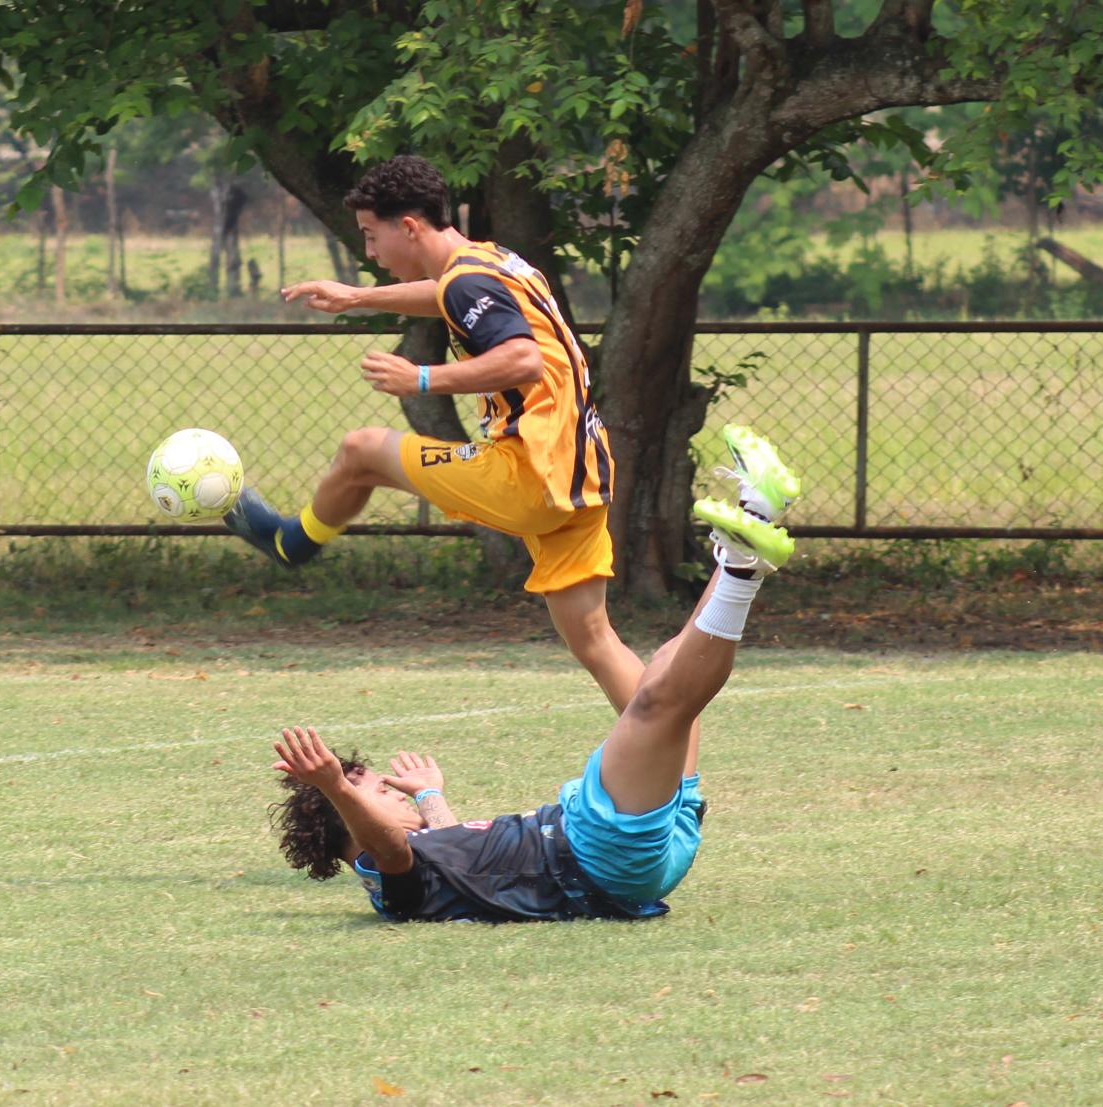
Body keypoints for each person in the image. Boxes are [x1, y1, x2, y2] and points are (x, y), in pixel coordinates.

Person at [267, 434, 800, 922]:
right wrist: (335, 784)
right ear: (350, 827)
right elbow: (390, 850)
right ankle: (743, 566)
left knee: (666, 675)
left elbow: (448, 844)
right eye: (378, 791)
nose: (391, 791)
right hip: (596, 853)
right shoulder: (385, 879)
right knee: (658, 705)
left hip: (633, 863)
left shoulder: (432, 859)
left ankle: (752, 521)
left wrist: (430, 796)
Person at [224, 154, 642, 713]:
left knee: (362, 450)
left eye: (372, 237)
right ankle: (680, 784)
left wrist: (422, 378)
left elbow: (521, 359)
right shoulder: (491, 261)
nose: (371, 253)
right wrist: (357, 296)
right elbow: (449, 295)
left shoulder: (467, 280)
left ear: (410, 227)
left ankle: (290, 544)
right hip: (581, 475)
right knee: (597, 642)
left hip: (529, 474)